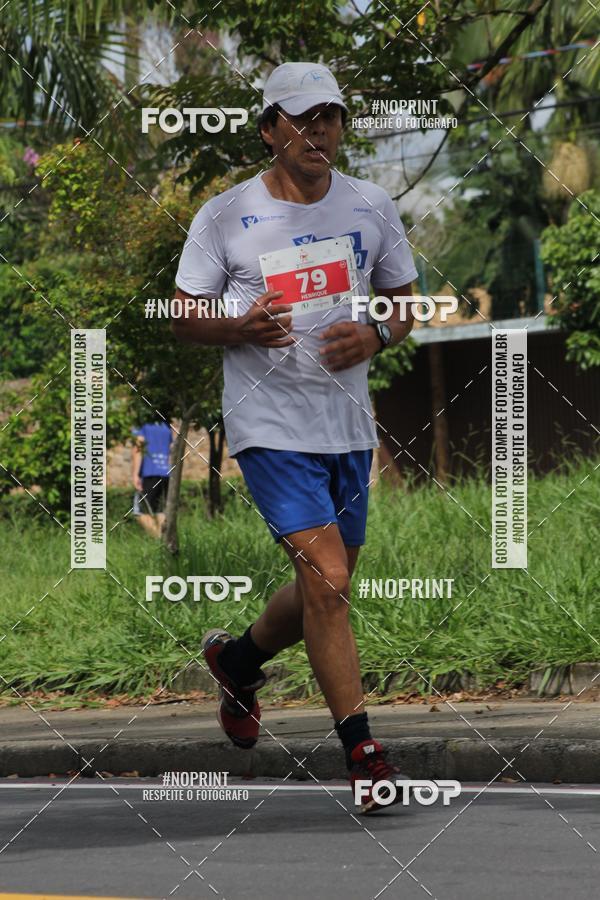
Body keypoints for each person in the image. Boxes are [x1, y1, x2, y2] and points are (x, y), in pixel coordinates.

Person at [172, 62, 419, 813]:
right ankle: (365, 755)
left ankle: (237, 661)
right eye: (304, 120)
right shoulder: (224, 215)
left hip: (345, 425)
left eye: (332, 119)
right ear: (270, 129)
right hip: (267, 424)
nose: (320, 134)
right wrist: (237, 326)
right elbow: (183, 316)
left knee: (325, 583)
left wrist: (377, 335)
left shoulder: (370, 205)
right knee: (331, 583)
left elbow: (406, 305)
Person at [131, 421, 173, 538]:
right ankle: (165, 544)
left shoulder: (141, 423)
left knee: (138, 512)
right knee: (160, 512)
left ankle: (158, 540)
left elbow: (139, 446)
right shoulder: (165, 424)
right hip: (165, 474)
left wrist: (135, 475)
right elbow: (171, 450)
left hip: (149, 474)